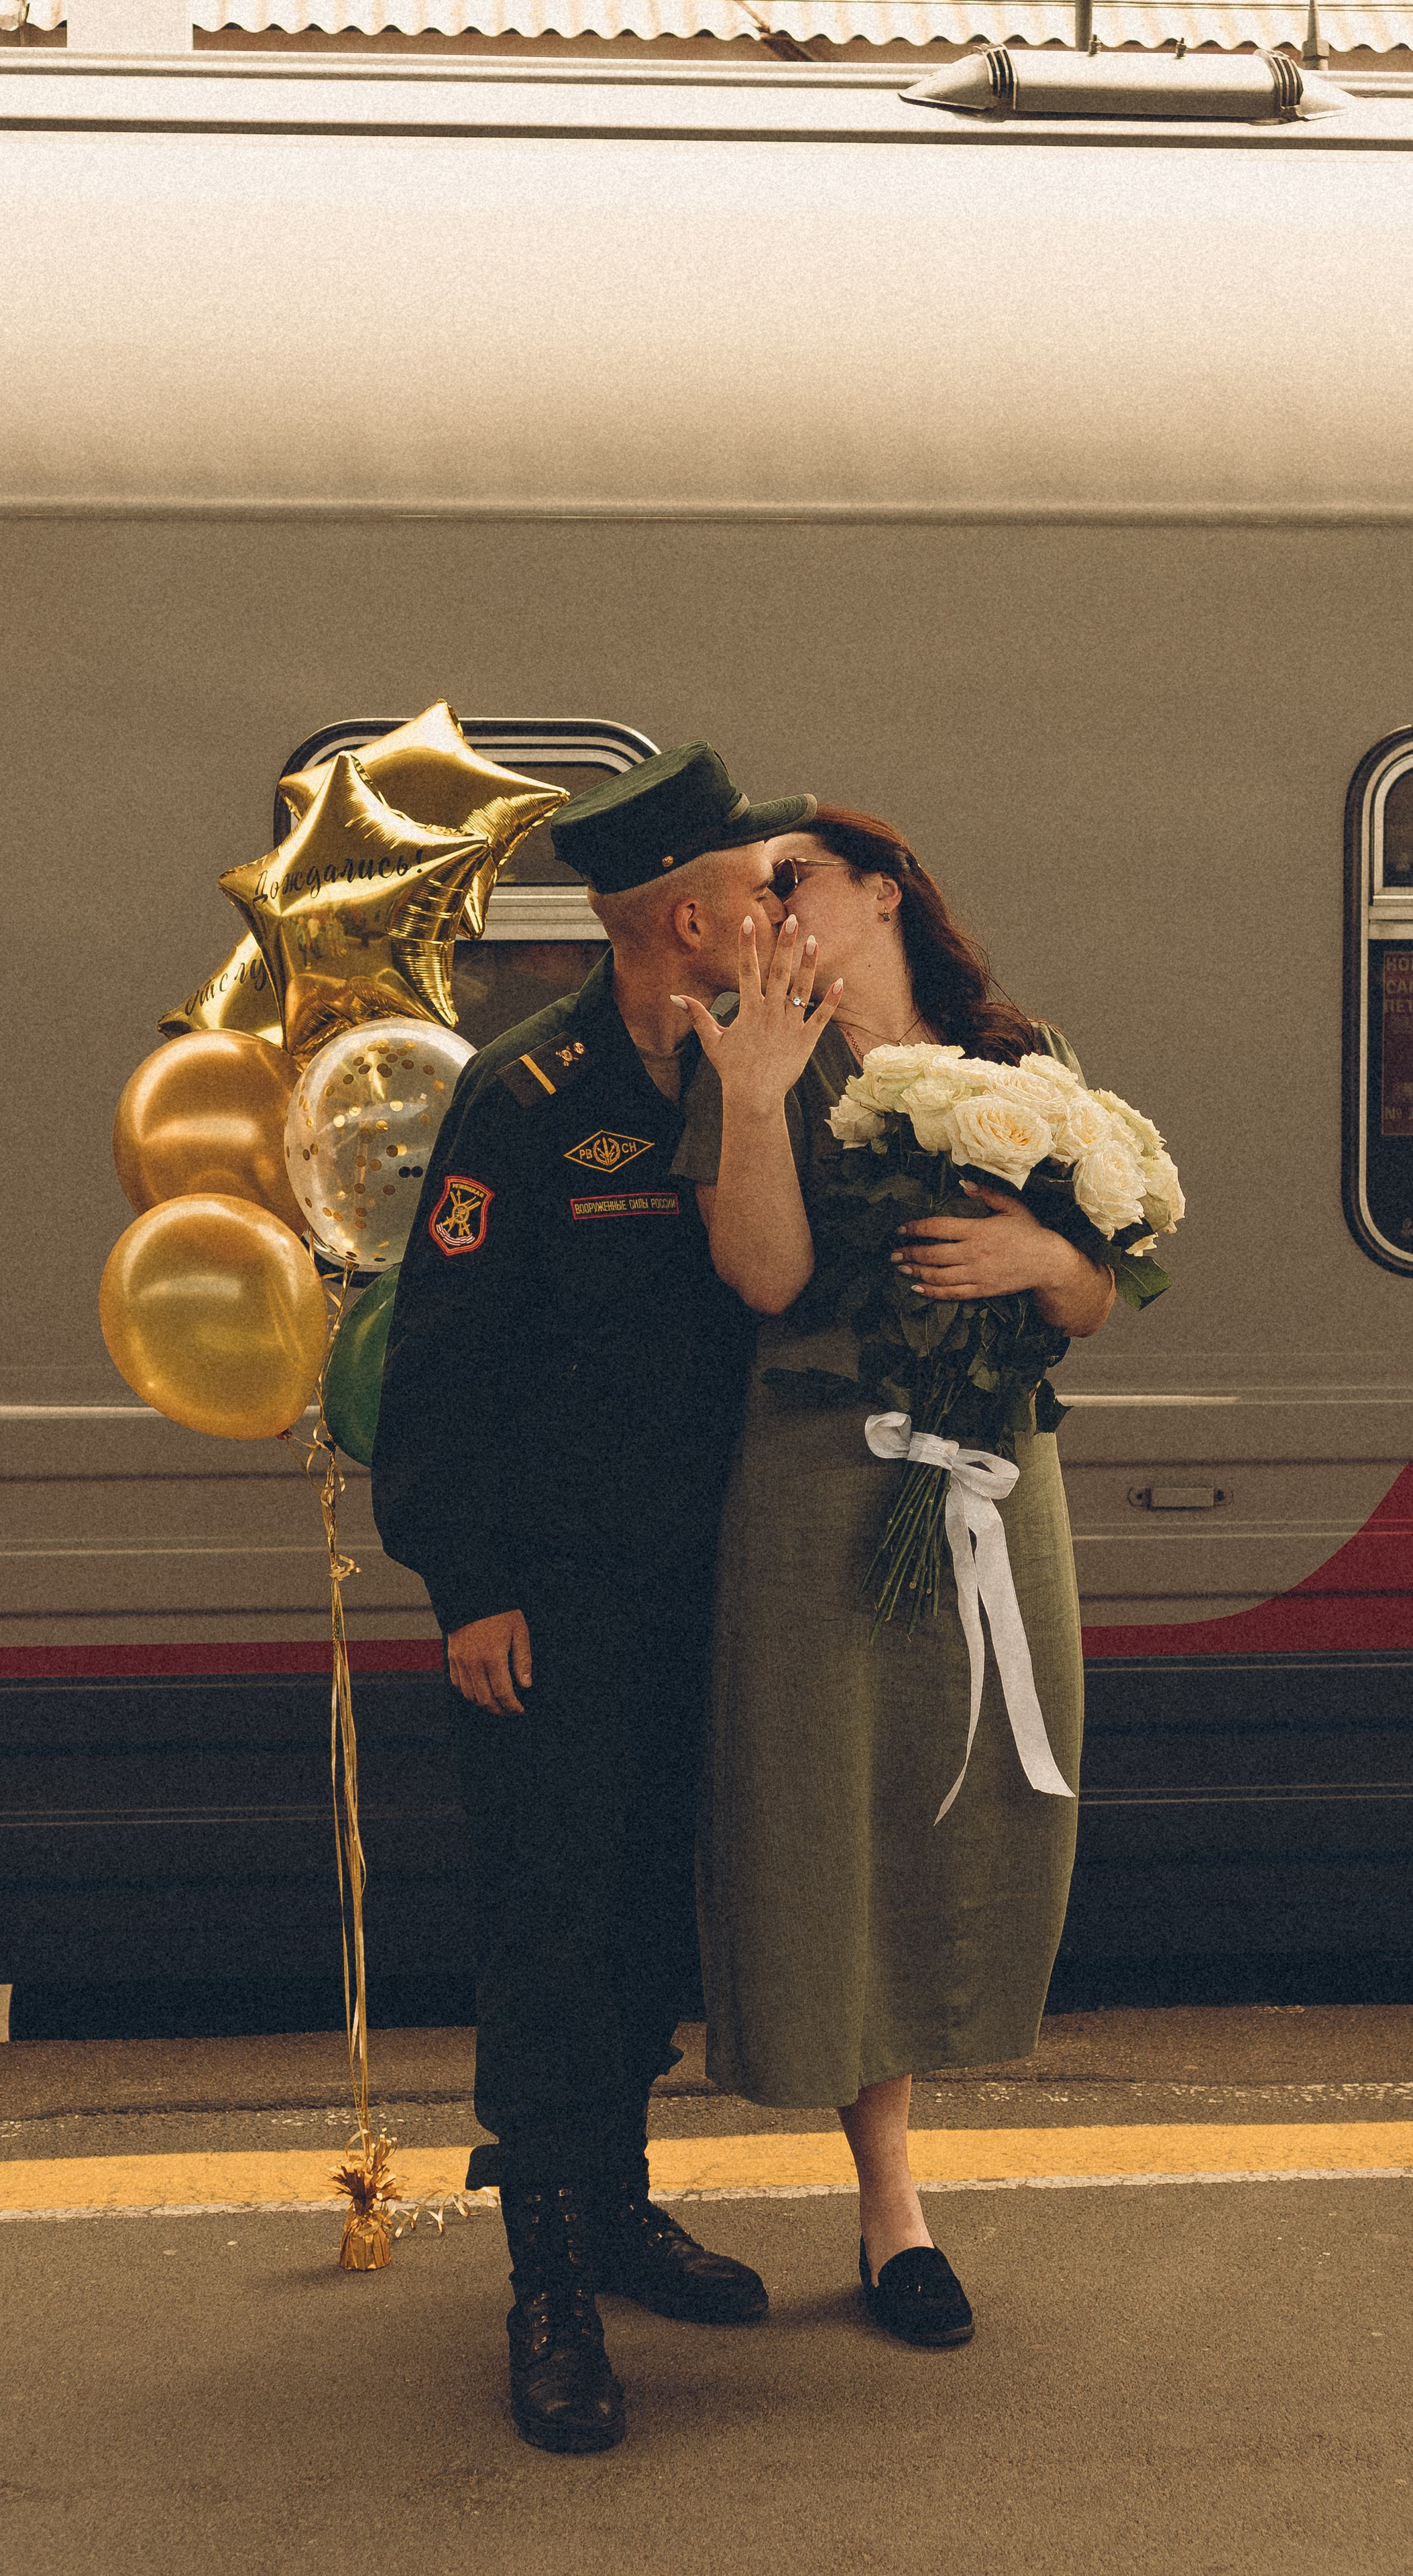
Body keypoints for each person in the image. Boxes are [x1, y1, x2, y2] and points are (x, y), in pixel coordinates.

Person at [371, 741, 826, 2457]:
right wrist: (467, 1587)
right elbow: (442, 1368)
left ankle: (616, 2206)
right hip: (551, 1604)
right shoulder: (526, 1095)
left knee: (644, 1914)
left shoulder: (733, 1075)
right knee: (551, 1929)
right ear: (685, 916)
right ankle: (546, 2283)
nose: (767, 914)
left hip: (697, 1593)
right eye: (749, 893)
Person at [671, 806, 1117, 2351]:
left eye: (788, 878)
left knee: (970, 1796)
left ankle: (915, 2150)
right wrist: (751, 1098)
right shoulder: (743, 1060)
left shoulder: (1018, 1054)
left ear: (880, 889)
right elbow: (766, 1280)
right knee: (834, 1817)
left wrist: (1047, 1270)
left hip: (995, 1473)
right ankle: (890, 2205)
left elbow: (1093, 1288)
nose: (763, 906)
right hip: (814, 1485)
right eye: (747, 891)